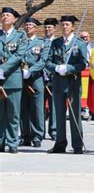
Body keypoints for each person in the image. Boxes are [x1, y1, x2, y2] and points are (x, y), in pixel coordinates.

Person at [46, 15, 87, 154]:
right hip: (58, 84)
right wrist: (56, 68)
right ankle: (60, 143)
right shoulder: (56, 43)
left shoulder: (79, 43)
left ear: (73, 27)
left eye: (67, 24)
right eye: (63, 24)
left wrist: (68, 69)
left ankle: (77, 145)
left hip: (73, 84)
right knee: (59, 115)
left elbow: (82, 64)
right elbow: (48, 62)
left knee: (75, 114)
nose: (65, 27)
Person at [0, 7, 27, 153]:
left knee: (13, 114)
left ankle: (12, 143)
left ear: (14, 19)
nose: (5, 17)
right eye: (3, 15)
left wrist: (3, 68)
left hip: (13, 79)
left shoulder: (20, 36)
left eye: (8, 15)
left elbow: (19, 55)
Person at [19, 17, 48, 148]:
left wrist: (30, 70)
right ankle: (25, 135)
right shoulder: (21, 42)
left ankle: (37, 136)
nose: (28, 27)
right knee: (23, 109)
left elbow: (43, 61)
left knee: (37, 109)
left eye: (31, 25)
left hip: (35, 79)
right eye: (27, 25)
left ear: (36, 28)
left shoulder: (42, 42)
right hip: (21, 79)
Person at [43, 18, 58, 140]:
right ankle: (39, 131)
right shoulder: (40, 42)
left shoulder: (57, 43)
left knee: (54, 106)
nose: (47, 29)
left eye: (50, 27)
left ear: (55, 29)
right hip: (39, 78)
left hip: (53, 78)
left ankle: (53, 130)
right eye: (46, 27)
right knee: (39, 107)